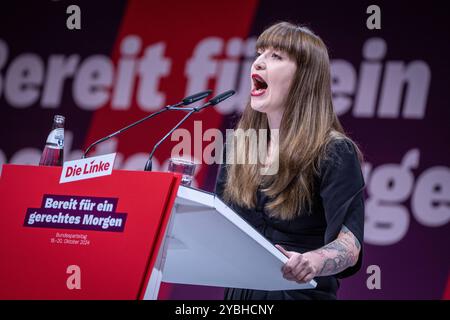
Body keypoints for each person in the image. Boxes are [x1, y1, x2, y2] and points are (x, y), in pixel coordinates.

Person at [214, 21, 365, 300]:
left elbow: (350, 246)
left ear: (304, 78)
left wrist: (313, 261)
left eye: (276, 56)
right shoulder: (242, 145)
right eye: (260, 53)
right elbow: (220, 228)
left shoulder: (334, 151)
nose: (258, 63)